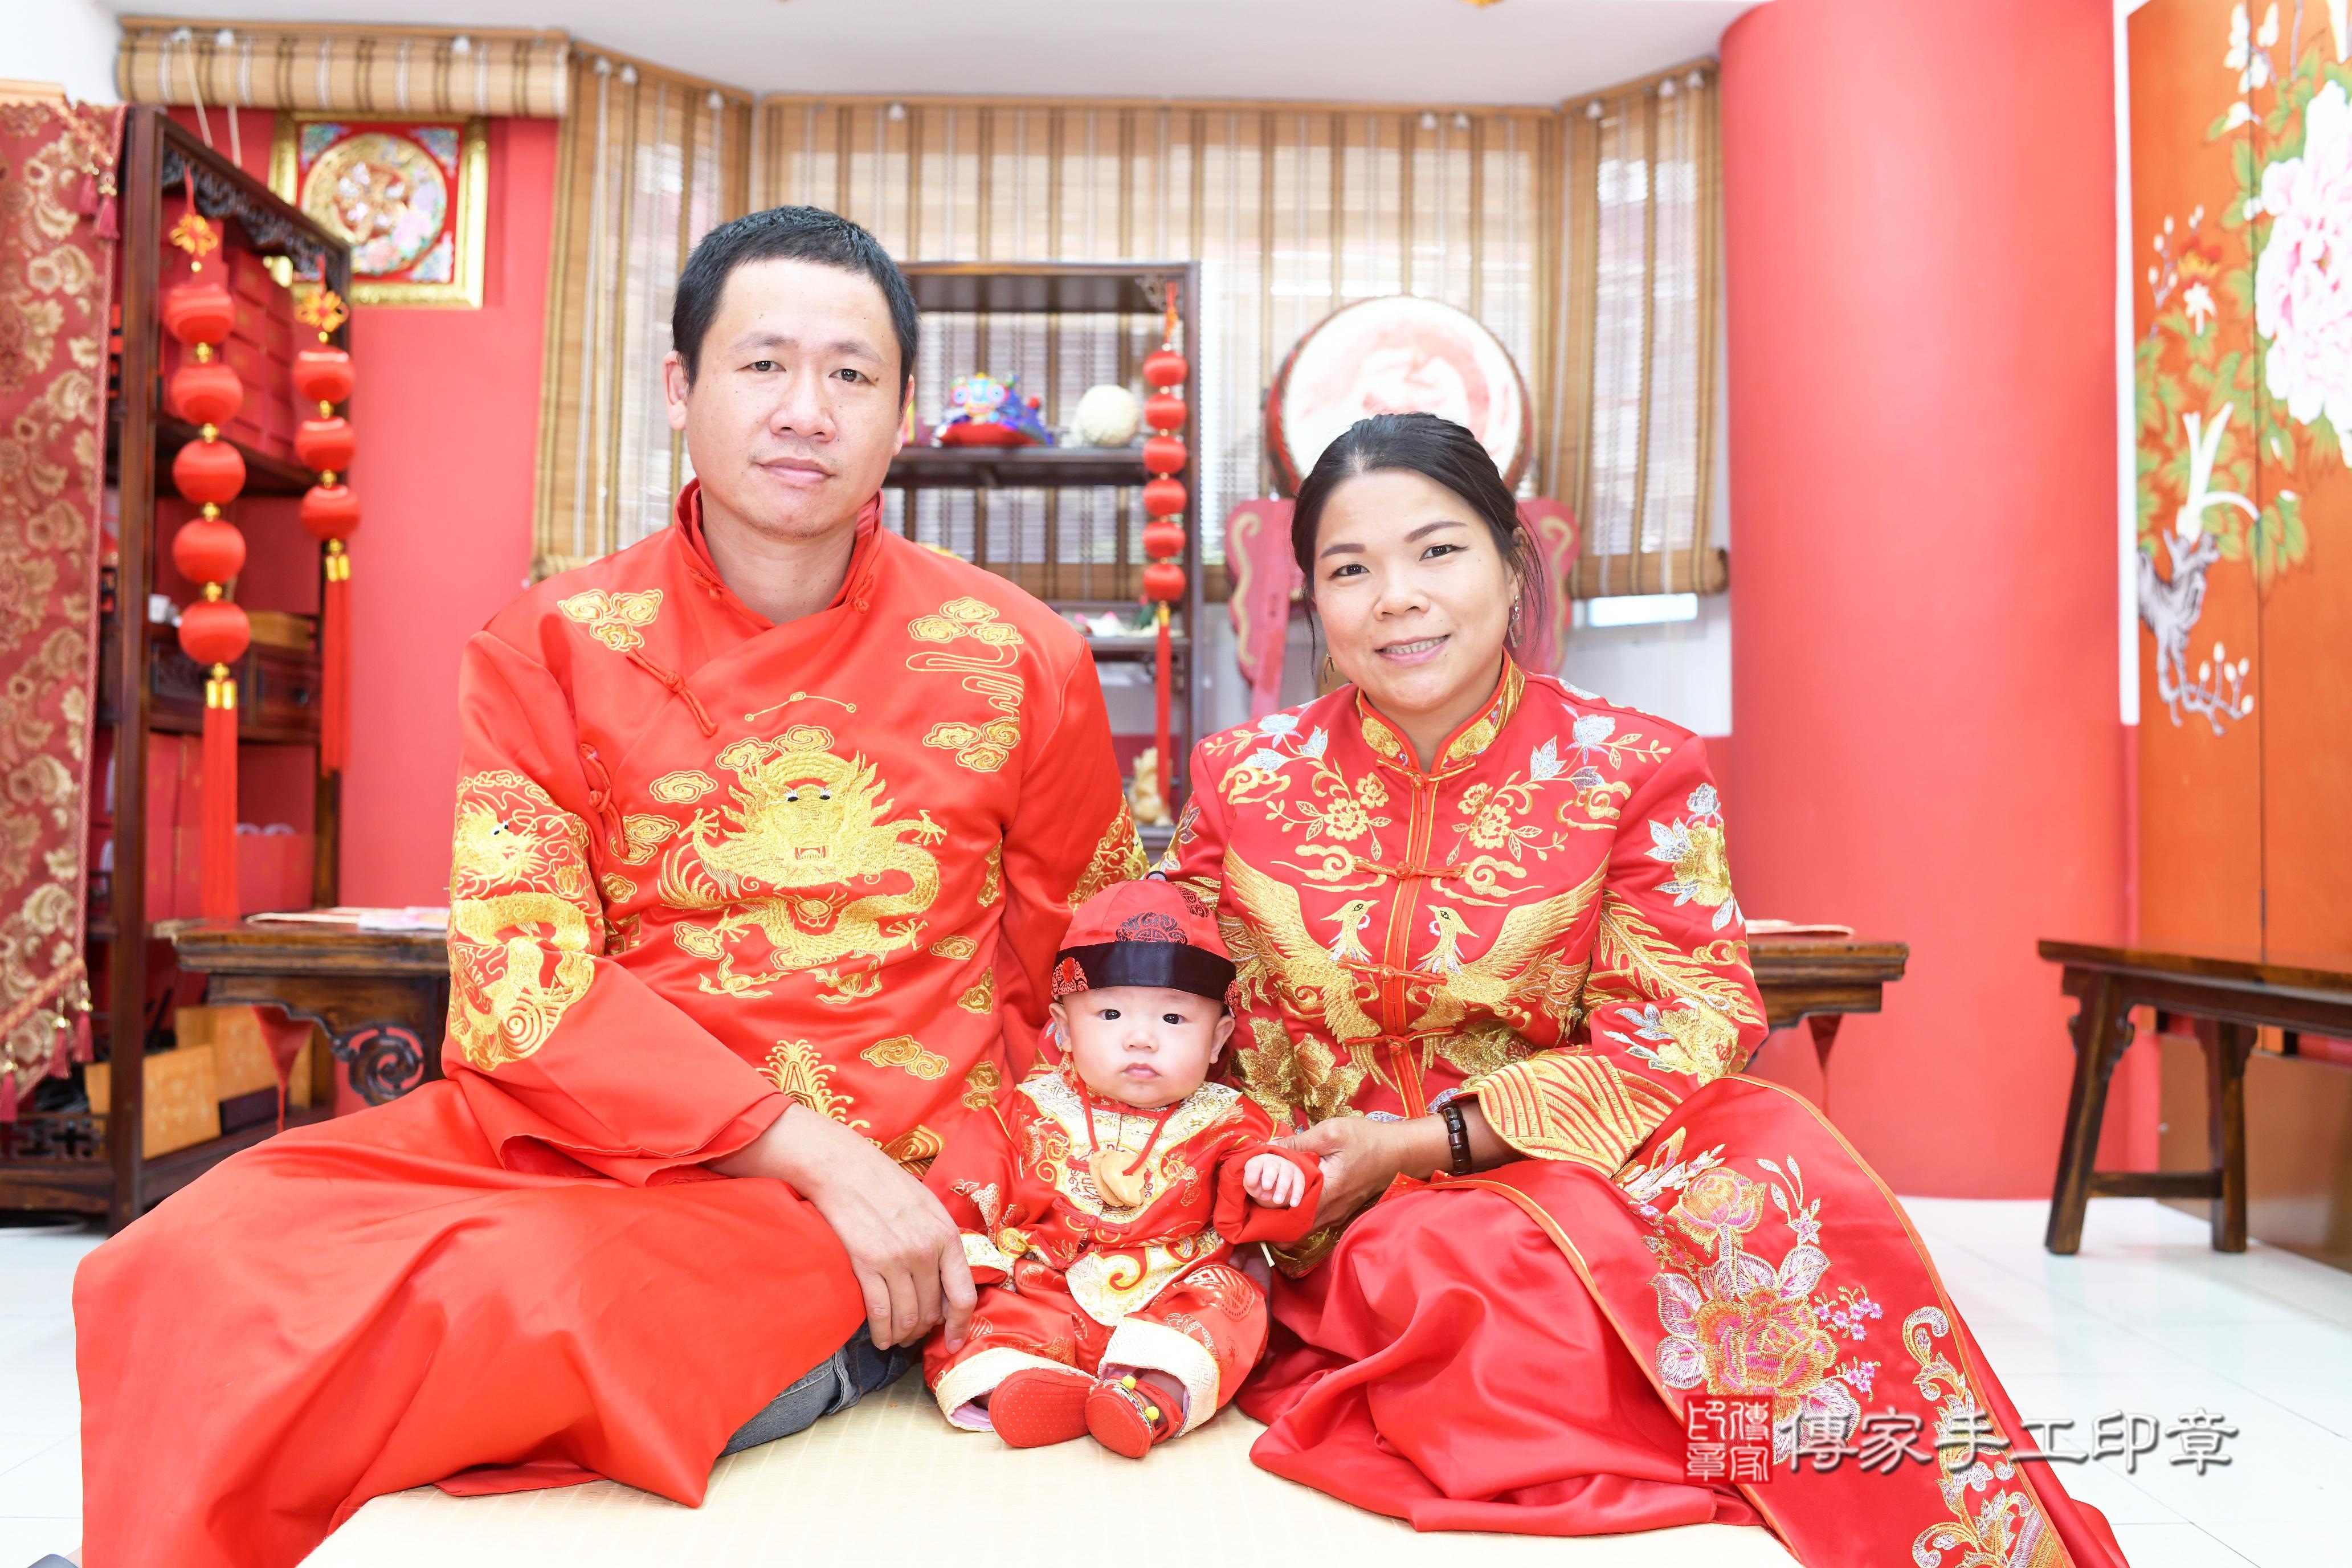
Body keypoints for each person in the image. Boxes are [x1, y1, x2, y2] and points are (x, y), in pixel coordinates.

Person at [72, 207, 1144, 1568]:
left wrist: (1024, 1210)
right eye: (763, 364)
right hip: (598, 1128)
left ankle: (826, 1349)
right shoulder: (553, 643)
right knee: (185, 1257)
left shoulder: (1020, 655)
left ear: (901, 413)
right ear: (681, 389)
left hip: (884, 1162)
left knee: (513, 1297)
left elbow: (1086, 969)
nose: (804, 410)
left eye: (850, 374)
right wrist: (799, 1142)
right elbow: (522, 977)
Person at [1157, 413, 2130, 1568]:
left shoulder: (1633, 766)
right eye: (1350, 569)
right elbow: (1158, 980)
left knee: (1781, 1174)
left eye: (1437, 551)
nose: (1397, 598)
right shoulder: (1242, 779)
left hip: (1567, 1161)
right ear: (1313, 598)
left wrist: (1428, 1141)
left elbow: (1685, 1012)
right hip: (1334, 1202)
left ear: (1510, 563)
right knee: (1466, 1274)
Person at [919, 879, 1320, 1457]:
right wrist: (977, 1270)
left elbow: (1258, 1185)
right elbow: (961, 1197)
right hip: (1046, 1288)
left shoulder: (1230, 1119)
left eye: (1174, 1020)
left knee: (1233, 1299)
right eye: (1110, 1013)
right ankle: (1020, 1385)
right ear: (1063, 1028)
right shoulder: (1025, 1112)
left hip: (1172, 1291)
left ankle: (1151, 1396)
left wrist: (1273, 1174)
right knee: (984, 1312)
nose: (1141, 1039)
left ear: (1218, 1040)